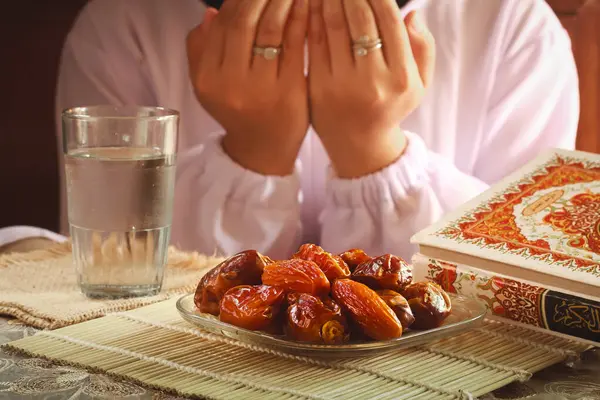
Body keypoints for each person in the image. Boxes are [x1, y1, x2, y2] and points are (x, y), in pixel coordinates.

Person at [1, 0, 579, 261]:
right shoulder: (126, 23)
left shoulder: (510, 25)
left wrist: (374, 149)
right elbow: (105, 280)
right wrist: (252, 150)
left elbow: (522, 282)